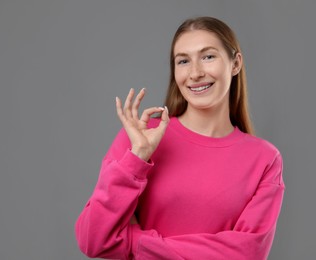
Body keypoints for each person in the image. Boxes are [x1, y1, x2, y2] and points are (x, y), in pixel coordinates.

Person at [75, 16, 285, 259]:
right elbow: (93, 239)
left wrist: (136, 241)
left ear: (235, 63)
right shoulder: (140, 138)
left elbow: (246, 253)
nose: (195, 73)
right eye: (183, 61)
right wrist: (137, 158)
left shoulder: (265, 159)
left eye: (208, 56)